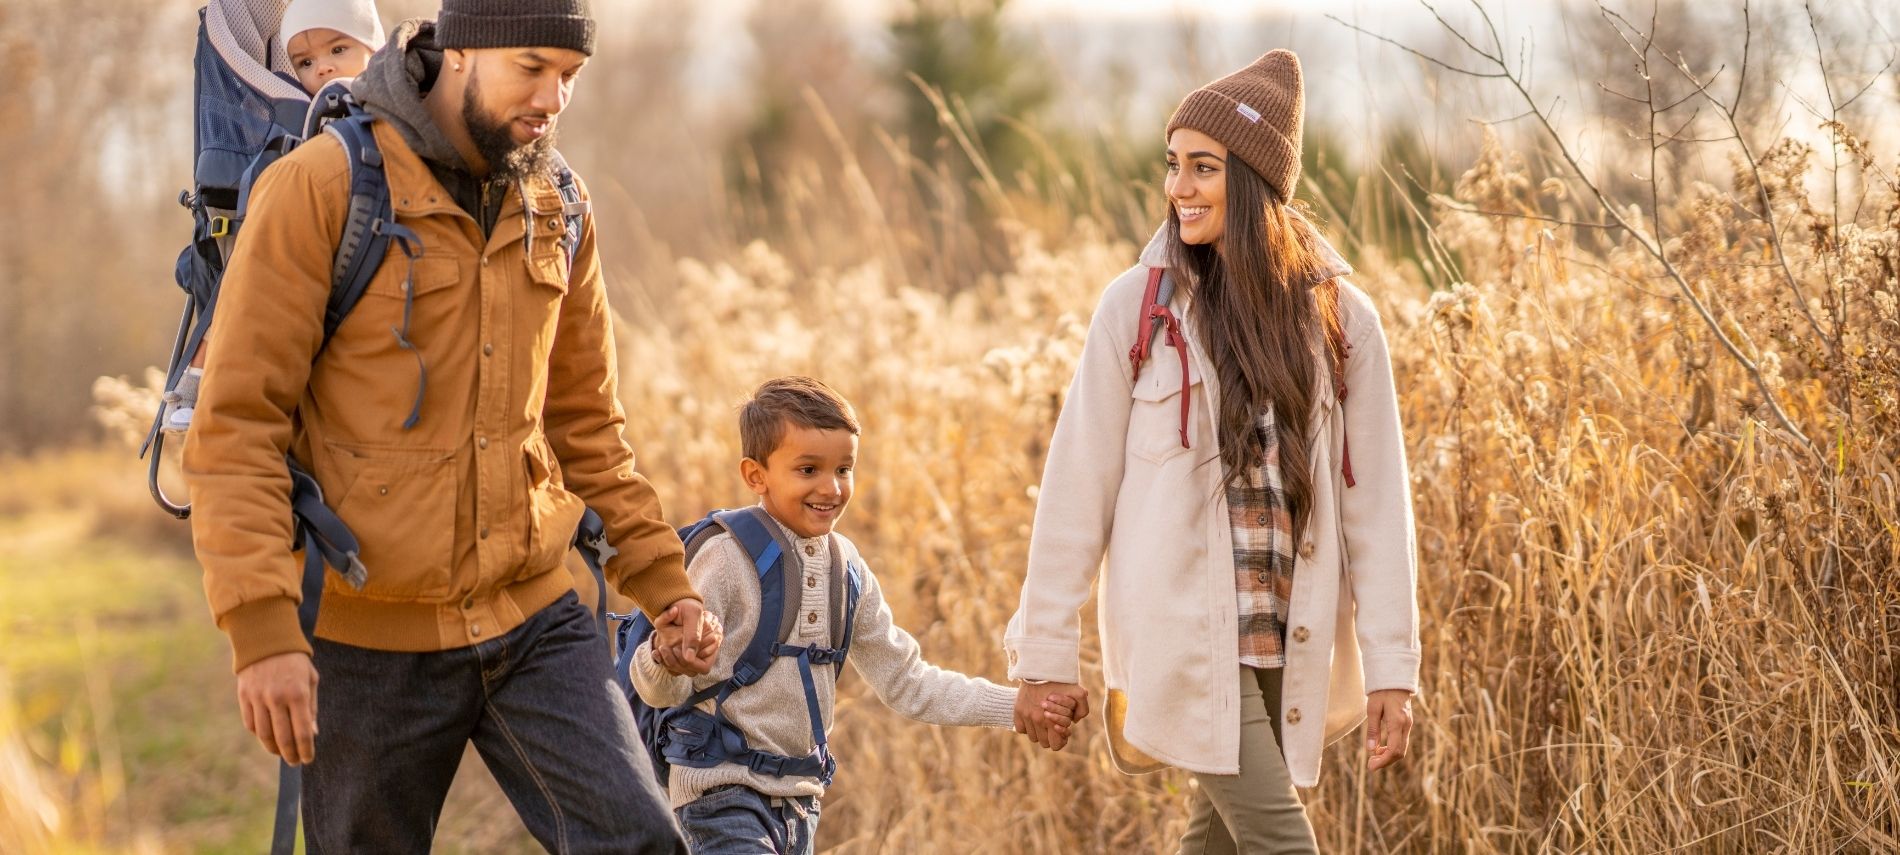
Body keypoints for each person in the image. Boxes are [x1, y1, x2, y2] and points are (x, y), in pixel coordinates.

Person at [182, 2, 714, 850]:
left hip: (534, 616)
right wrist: (260, 630)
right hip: (365, 638)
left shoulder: (558, 201)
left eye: (569, 77)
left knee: (643, 840)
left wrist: (665, 582)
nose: (554, 98)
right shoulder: (322, 188)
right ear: (459, 51)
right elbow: (239, 423)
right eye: (533, 68)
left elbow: (586, 427)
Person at [1004, 50, 1421, 853]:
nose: (1178, 188)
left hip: (1287, 634)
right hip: (1182, 633)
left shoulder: (1341, 319)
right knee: (1279, 841)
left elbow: (1379, 508)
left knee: (1219, 841)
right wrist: (1045, 651)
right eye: (1173, 165)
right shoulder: (1137, 307)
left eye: (1204, 167)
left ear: (1258, 182)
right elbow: (1075, 486)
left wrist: (1392, 668)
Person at [632, 377, 1078, 855]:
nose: (831, 488)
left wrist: (1014, 707)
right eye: (807, 470)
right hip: (720, 798)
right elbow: (659, 689)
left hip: (799, 807)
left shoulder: (847, 570)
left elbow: (908, 683)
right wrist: (667, 659)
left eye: (844, 469)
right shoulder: (725, 559)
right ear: (755, 475)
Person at [159, 0, 389, 434]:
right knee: (238, 270)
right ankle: (203, 383)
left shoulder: (396, 115)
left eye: (338, 50)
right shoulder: (294, 127)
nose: (322, 68)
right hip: (291, 254)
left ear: (374, 52)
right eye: (305, 61)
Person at [282, 0, 386, 95]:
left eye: (337, 50)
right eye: (307, 62)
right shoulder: (303, 110)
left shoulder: (395, 94)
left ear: (373, 49)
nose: (322, 68)